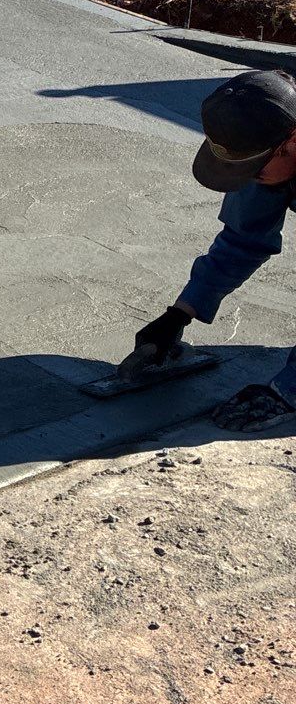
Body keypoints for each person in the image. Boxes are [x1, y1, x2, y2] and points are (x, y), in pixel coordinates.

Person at [134, 67, 296, 431]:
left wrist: (287, 392)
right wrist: (180, 312)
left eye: (254, 168)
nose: (249, 178)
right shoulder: (271, 144)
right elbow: (244, 238)